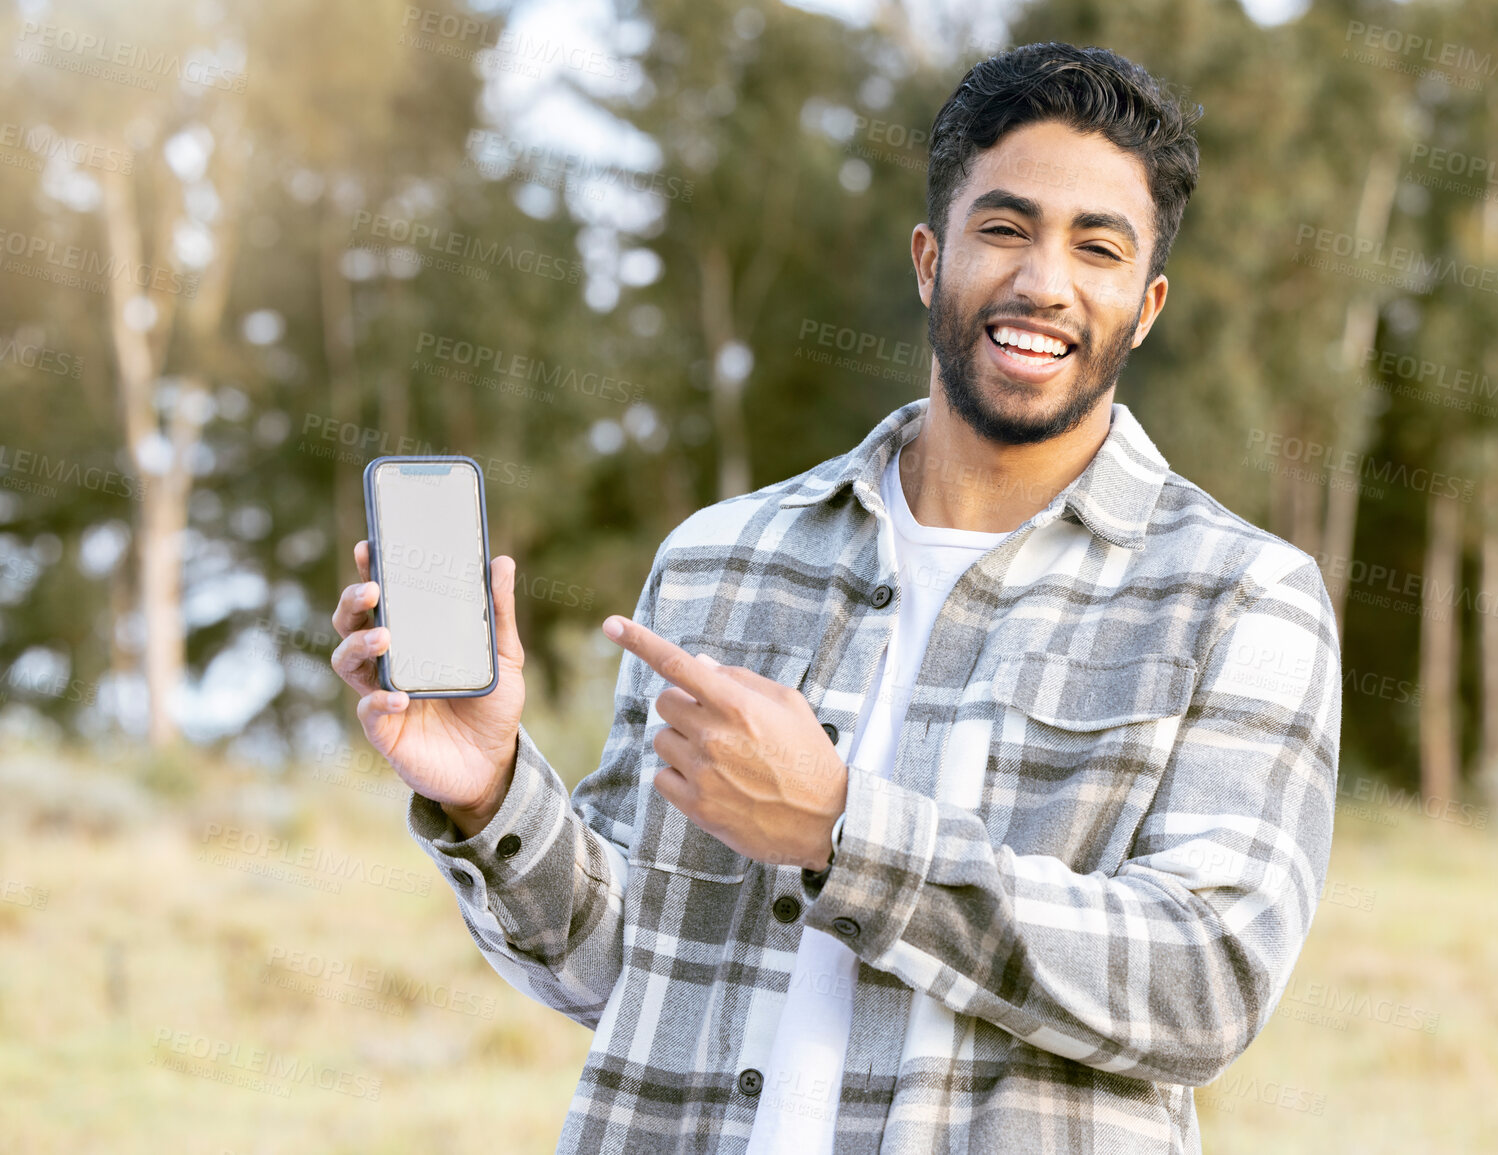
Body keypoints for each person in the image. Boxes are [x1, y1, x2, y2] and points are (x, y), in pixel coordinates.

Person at [330, 41, 1340, 1155]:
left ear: (1145, 307)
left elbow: (1208, 983)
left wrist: (841, 831)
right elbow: (622, 964)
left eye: (1095, 248)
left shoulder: (1242, 600)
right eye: (1003, 228)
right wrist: (490, 797)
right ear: (928, 258)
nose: (1043, 282)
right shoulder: (723, 559)